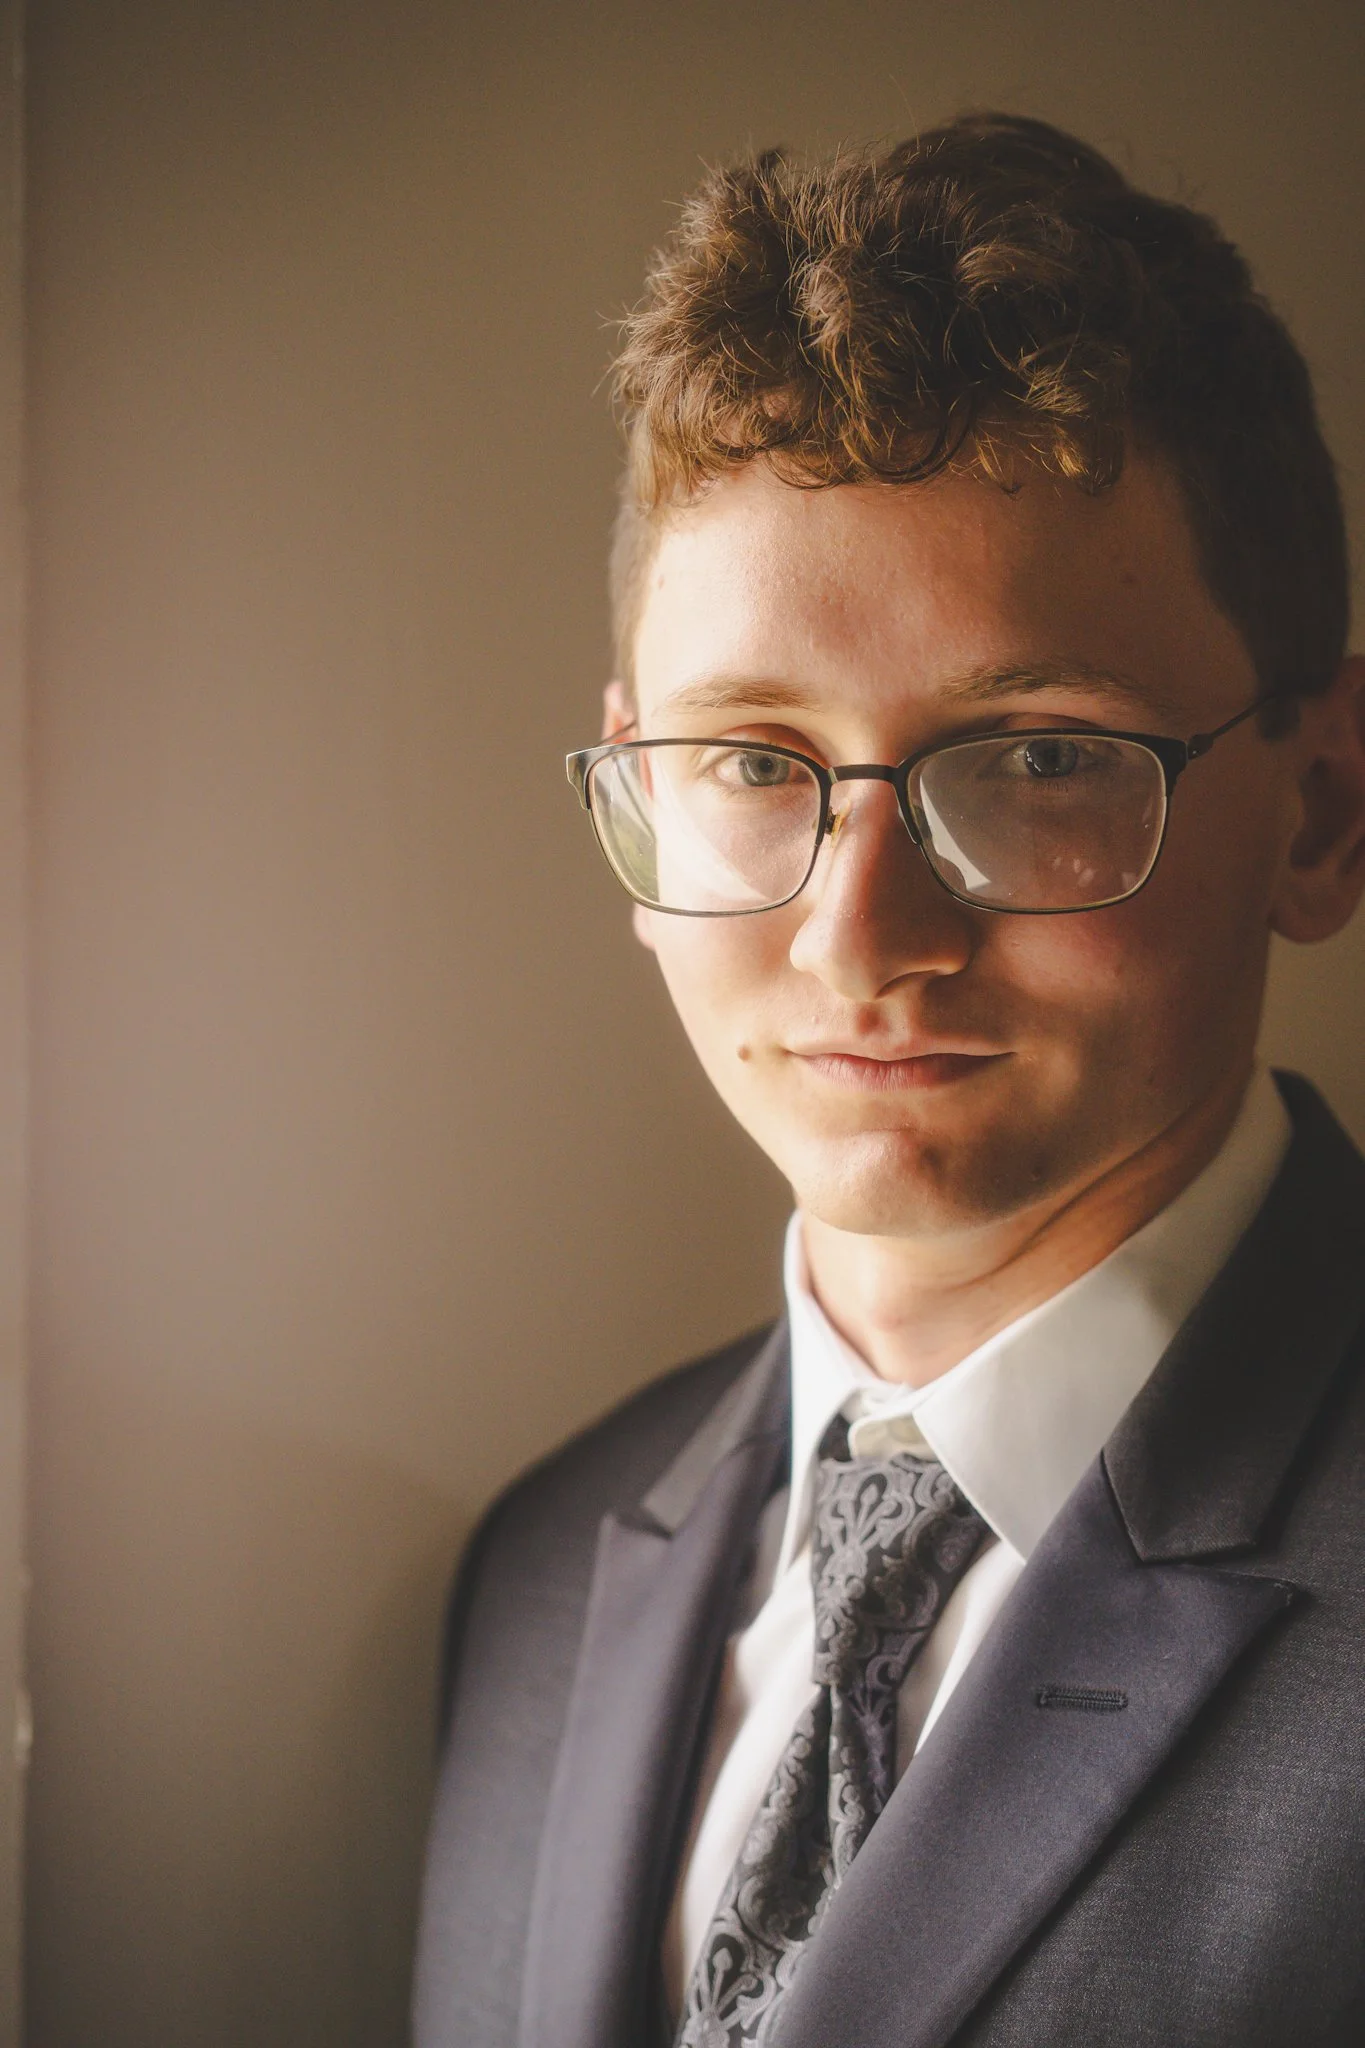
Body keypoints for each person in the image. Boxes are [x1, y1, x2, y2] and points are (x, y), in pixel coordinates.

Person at [412, 114, 1365, 2048]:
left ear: (1326, 807)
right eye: (753, 765)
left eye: (1038, 758)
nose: (861, 941)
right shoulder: (536, 1576)